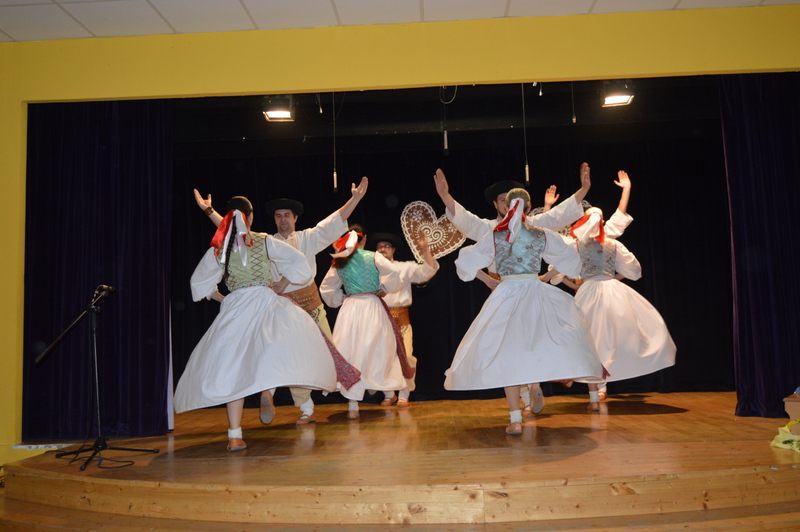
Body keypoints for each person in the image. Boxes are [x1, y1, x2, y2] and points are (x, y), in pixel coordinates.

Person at [194, 176, 368, 425]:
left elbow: (334, 221)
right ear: (274, 220)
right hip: (283, 308)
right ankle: (298, 405)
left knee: (328, 356)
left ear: (295, 218)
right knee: (287, 356)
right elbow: (234, 228)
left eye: (287, 215)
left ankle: (348, 401)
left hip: (312, 307)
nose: (283, 219)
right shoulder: (265, 241)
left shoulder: (308, 238)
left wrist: (355, 199)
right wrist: (210, 211)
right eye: (278, 216)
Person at [174, 196, 341, 451]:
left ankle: (235, 435)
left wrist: (225, 299)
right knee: (274, 349)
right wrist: (283, 282)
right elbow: (299, 263)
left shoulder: (219, 248)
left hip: (237, 306)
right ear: (250, 217)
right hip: (265, 300)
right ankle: (267, 390)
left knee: (234, 367)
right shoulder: (263, 240)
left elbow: (200, 285)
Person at [445, 188, 605, 435]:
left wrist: (488, 280)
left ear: (506, 206)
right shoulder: (540, 234)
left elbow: (466, 262)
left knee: (508, 353)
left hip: (507, 294)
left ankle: (516, 418)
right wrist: (547, 276)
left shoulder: (495, 235)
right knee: (537, 342)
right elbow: (570, 257)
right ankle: (534, 384)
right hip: (533, 291)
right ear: (529, 209)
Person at [554, 204, 676, 410]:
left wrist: (577, 283)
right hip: (609, 289)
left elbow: (557, 270)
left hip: (591, 290)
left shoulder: (577, 245)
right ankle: (596, 386)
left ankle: (596, 392)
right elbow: (633, 270)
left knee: (592, 339)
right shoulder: (611, 244)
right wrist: (609, 278)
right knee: (603, 338)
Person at [320, 226, 412, 420]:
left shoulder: (340, 260)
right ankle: (376, 385)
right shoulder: (373, 257)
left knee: (351, 351)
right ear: (364, 239)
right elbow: (394, 273)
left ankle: (353, 405)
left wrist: (342, 298)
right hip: (372, 306)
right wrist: (385, 288)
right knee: (377, 349)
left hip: (351, 308)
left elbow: (326, 288)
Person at [370, 231, 438, 408]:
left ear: (393, 250)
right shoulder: (370, 270)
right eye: (379, 247)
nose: (383, 249)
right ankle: (388, 394)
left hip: (401, 320)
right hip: (379, 320)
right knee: (382, 357)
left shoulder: (404, 267)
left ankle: (404, 394)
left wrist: (425, 249)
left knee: (406, 357)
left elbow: (426, 272)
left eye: (386, 246)